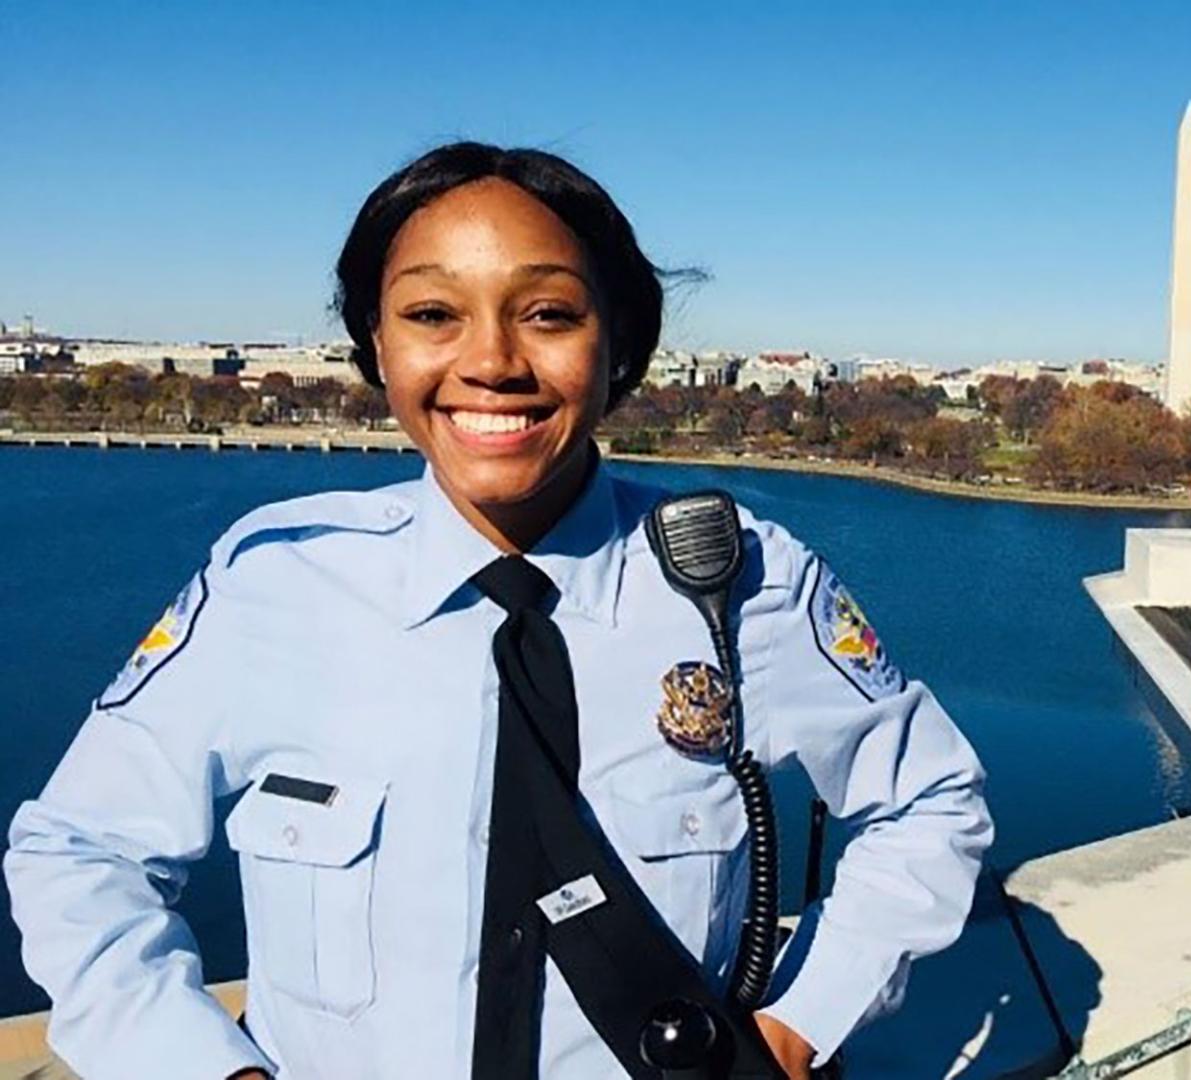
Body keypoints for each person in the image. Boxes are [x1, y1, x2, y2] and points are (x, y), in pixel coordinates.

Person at [5, 142, 993, 1079]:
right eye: (433, 314)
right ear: (375, 348)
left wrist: (799, 1026)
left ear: (621, 347)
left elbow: (930, 803)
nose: (492, 362)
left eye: (549, 314)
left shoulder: (744, 585)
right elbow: (81, 854)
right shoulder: (274, 584)